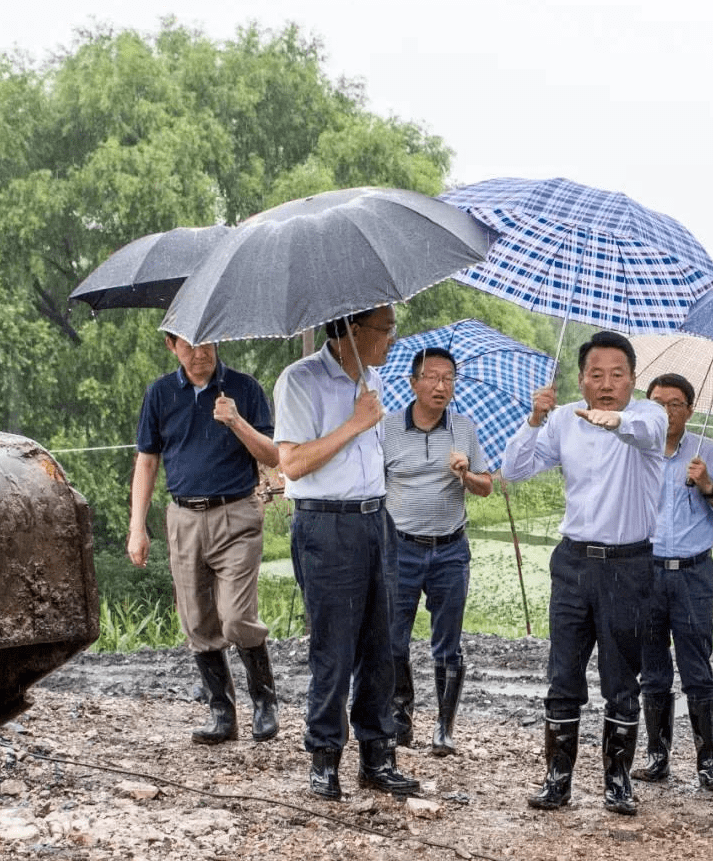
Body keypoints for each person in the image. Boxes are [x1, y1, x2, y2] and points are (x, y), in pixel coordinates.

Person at [501, 331, 667, 815]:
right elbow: (515, 469)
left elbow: (644, 432)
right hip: (573, 562)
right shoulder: (562, 419)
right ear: (581, 378)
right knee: (563, 674)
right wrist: (534, 420)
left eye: (617, 375)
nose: (606, 383)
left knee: (621, 678)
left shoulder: (647, 415)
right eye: (596, 375)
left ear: (633, 379)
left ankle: (618, 781)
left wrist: (613, 420)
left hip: (628, 564)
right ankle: (558, 780)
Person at [273, 304, 419, 801]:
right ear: (353, 330)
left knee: (383, 645)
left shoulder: (374, 379)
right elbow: (291, 463)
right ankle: (325, 757)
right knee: (334, 648)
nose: (392, 337)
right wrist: (355, 423)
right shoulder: (300, 380)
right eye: (385, 328)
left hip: (376, 520)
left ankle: (377, 757)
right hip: (325, 524)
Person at [129, 333, 280, 746]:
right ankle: (222, 712)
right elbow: (147, 460)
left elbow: (272, 456)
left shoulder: (245, 389)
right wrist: (136, 527)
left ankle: (265, 701)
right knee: (196, 620)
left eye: (207, 344)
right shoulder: (160, 393)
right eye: (189, 346)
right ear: (170, 347)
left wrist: (235, 421)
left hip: (237, 513)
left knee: (235, 616)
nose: (200, 355)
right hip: (183, 516)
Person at [631, 373, 713, 793]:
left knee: (697, 667)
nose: (666, 411)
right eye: (657, 402)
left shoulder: (707, 452)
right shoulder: (637, 451)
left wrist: (709, 486)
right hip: (646, 570)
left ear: (689, 410)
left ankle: (707, 763)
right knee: (652, 670)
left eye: (675, 403)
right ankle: (657, 758)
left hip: (693, 573)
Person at [381, 347, 493, 756]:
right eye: (432, 377)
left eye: (448, 379)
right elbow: (373, 485)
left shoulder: (463, 428)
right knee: (393, 639)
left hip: (449, 549)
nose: (441, 386)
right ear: (414, 383)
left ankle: (444, 727)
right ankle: (400, 718)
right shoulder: (387, 428)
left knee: (447, 643)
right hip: (400, 550)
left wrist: (466, 474)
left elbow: (486, 486)